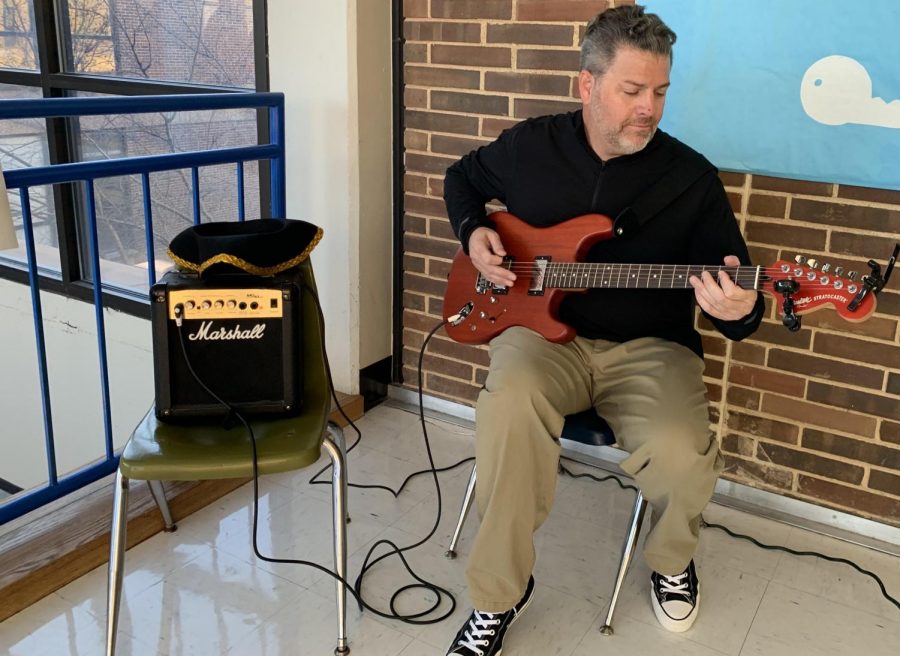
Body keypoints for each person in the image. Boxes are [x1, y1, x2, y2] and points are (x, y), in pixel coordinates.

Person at [440, 5, 764, 655]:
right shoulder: (532, 145)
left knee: (681, 452)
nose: (649, 108)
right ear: (587, 84)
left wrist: (740, 310)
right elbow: (463, 178)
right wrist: (474, 232)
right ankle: (497, 596)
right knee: (507, 407)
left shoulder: (690, 179)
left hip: (650, 349)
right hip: (537, 335)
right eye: (633, 90)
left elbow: (739, 288)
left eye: (661, 92)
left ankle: (671, 561)